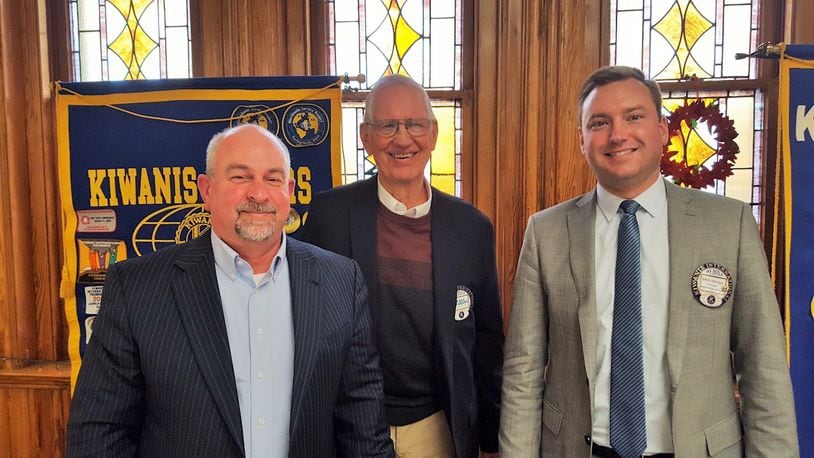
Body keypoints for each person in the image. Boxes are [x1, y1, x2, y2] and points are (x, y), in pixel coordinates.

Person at [499, 66, 798, 457]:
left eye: (634, 117)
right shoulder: (547, 232)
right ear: (582, 141)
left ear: (662, 130)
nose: (617, 134)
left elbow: (763, 368)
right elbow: (523, 371)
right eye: (599, 122)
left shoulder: (729, 224)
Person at [68, 124, 394, 457]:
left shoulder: (341, 280)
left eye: (273, 178)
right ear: (206, 190)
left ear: (290, 190)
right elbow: (99, 432)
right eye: (240, 177)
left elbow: (362, 422)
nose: (259, 193)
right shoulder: (137, 288)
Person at [300, 74, 503, 457]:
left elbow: (488, 343)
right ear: (366, 137)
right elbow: (304, 324)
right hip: (348, 424)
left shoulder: (471, 228)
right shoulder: (329, 214)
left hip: (437, 427)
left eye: (415, 124)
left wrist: (491, 439)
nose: (402, 138)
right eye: (387, 125)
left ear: (433, 133)